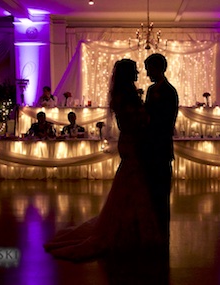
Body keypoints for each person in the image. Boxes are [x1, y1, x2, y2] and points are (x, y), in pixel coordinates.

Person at [44, 59, 163, 261]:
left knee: (129, 186)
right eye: (134, 71)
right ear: (127, 74)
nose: (137, 74)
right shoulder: (126, 95)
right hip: (133, 142)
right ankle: (131, 231)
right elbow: (135, 120)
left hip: (129, 141)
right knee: (133, 185)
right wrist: (148, 117)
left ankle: (129, 228)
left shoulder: (123, 93)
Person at [144, 53, 179, 244]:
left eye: (150, 68)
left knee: (162, 190)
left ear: (159, 68)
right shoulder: (151, 90)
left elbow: (166, 121)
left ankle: (162, 232)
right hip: (151, 147)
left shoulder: (169, 91)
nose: (148, 73)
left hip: (161, 146)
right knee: (151, 190)